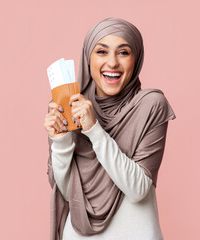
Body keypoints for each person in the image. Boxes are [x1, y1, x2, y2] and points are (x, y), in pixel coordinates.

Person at [43, 17, 176, 240]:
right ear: (88, 57)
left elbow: (137, 189)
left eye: (123, 53)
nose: (112, 63)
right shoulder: (71, 105)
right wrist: (61, 140)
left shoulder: (151, 105)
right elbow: (68, 194)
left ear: (137, 59)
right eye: (102, 52)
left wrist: (94, 129)